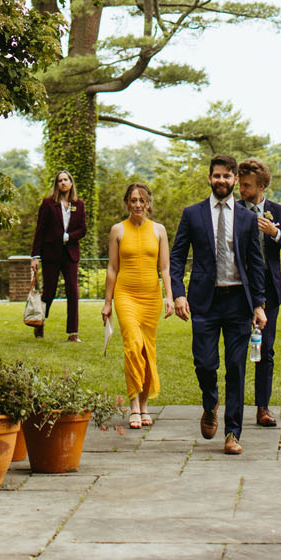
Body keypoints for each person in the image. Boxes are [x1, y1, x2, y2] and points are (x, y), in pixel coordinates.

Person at [169, 154, 267, 455]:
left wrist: (259, 304)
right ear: (209, 178)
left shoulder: (248, 218)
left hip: (238, 301)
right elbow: (176, 257)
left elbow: (255, 264)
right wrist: (178, 293)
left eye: (227, 176)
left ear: (235, 179)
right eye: (216, 176)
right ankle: (210, 402)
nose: (221, 181)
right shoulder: (192, 214)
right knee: (205, 363)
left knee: (236, 369)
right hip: (204, 302)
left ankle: (233, 433)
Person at [101, 182, 174, 429]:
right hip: (126, 295)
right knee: (132, 346)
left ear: (149, 203)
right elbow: (112, 268)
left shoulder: (159, 230)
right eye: (133, 200)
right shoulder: (117, 230)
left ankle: (144, 406)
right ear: (127, 203)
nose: (138, 205)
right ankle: (133, 406)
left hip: (151, 297)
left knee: (146, 351)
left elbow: (165, 268)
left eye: (142, 200)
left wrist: (170, 297)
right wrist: (107, 302)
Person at [237, 157, 281, 428]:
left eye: (247, 185)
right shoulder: (234, 210)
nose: (241, 189)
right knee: (237, 350)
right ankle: (234, 407)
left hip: (270, 293)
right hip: (239, 290)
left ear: (261, 186)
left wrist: (275, 232)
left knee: (266, 349)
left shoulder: (279, 211)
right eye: (240, 184)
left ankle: (263, 407)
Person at [30, 169, 87, 341]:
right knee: (49, 292)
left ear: (71, 183)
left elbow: (83, 229)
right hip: (51, 254)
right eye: (60, 180)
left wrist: (69, 236)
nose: (63, 182)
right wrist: (35, 256)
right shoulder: (48, 204)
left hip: (70, 255)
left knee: (72, 291)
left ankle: (73, 333)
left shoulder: (79, 204)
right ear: (57, 184)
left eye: (66, 179)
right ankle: (39, 323)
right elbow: (39, 230)